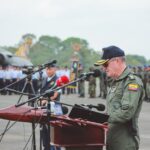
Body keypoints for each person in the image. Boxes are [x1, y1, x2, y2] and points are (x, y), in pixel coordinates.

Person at [94, 45, 145, 150]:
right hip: (113, 139)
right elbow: (113, 110)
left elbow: (126, 113)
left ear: (117, 61)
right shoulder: (116, 82)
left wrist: (103, 119)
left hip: (124, 143)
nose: (103, 68)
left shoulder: (131, 82)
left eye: (105, 64)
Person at [39, 63, 61, 150]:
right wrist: (40, 100)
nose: (48, 71)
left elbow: (55, 95)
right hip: (44, 108)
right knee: (44, 132)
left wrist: (45, 100)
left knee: (54, 135)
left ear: (55, 69)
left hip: (54, 108)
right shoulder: (44, 79)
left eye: (50, 69)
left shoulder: (58, 80)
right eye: (47, 69)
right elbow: (41, 92)